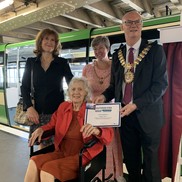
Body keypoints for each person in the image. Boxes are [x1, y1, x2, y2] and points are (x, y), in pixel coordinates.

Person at [93, 11, 168, 182]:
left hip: (149, 116)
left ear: (142, 25)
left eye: (137, 22)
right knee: (131, 162)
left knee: (151, 164)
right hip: (125, 118)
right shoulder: (118, 55)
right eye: (129, 22)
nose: (133, 25)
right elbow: (114, 86)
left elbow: (161, 85)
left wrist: (136, 104)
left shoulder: (155, 51)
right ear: (122, 26)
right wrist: (104, 97)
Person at [24, 77, 114, 182]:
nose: (76, 92)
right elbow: (52, 125)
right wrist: (41, 129)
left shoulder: (93, 109)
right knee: (33, 161)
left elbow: (108, 137)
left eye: (80, 89)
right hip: (62, 151)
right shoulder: (63, 107)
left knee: (47, 170)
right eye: (73, 89)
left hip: (82, 155)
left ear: (86, 92)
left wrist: (97, 131)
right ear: (69, 92)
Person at [21, 28, 73, 149]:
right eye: (46, 39)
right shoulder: (31, 63)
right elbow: (24, 87)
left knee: (57, 146)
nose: (49, 42)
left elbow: (72, 84)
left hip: (57, 112)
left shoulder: (62, 63)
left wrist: (82, 94)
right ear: (40, 41)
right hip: (37, 113)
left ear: (56, 44)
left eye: (53, 40)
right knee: (42, 147)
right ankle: (39, 167)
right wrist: (29, 107)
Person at [82, 36, 125, 182]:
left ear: (107, 48)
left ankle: (115, 174)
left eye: (101, 48)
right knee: (95, 144)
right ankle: (97, 174)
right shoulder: (87, 69)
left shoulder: (116, 66)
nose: (98, 51)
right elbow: (83, 90)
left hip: (111, 114)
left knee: (112, 145)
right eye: (95, 49)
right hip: (92, 114)